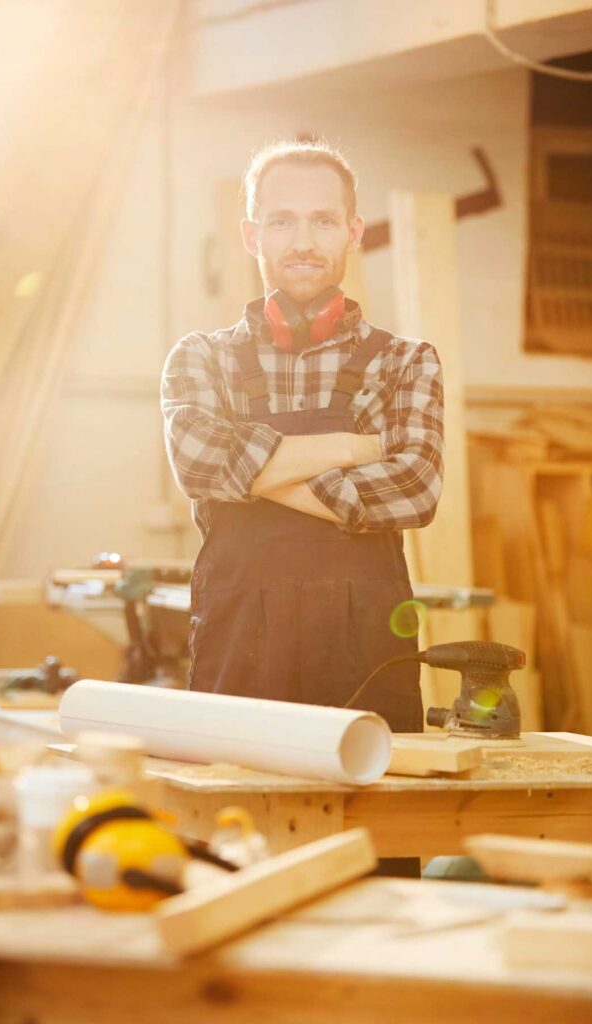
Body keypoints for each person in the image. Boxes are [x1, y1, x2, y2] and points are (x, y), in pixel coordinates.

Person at [161, 140, 444, 731]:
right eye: (281, 221)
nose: (302, 241)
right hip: (240, 646)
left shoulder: (405, 362)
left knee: (375, 817)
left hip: (364, 653)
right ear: (251, 235)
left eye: (323, 221)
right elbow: (197, 467)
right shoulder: (202, 359)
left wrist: (250, 477)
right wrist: (352, 450)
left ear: (353, 231)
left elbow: (416, 489)